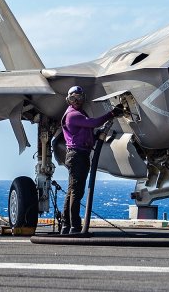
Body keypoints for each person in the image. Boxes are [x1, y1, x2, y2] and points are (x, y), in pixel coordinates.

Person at [61, 86, 124, 234]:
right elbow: (94, 123)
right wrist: (112, 113)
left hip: (79, 154)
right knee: (76, 192)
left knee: (72, 191)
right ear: (69, 100)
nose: (77, 101)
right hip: (77, 156)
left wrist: (96, 136)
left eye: (79, 98)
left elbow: (85, 134)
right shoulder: (73, 115)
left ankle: (67, 226)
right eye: (73, 98)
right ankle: (74, 227)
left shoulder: (79, 114)